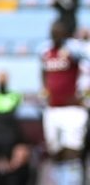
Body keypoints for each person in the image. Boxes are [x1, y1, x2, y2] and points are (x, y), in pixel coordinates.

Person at [40, 18, 88, 185]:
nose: (55, 34)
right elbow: (43, 74)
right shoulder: (46, 52)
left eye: (59, 32)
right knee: (55, 151)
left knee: (73, 150)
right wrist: (45, 91)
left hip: (72, 109)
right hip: (52, 109)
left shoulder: (74, 50)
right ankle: (60, 181)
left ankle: (73, 182)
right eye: (53, 32)